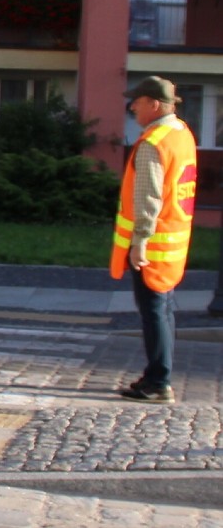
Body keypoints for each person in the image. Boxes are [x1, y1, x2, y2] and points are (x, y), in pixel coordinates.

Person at [111, 76, 197, 404]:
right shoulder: (182, 134)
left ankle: (159, 381)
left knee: (154, 312)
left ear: (155, 105)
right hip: (175, 241)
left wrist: (140, 241)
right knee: (164, 309)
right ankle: (156, 375)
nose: (132, 106)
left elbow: (149, 197)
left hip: (155, 245)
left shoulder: (153, 142)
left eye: (138, 100)